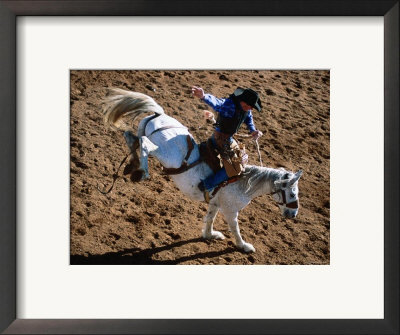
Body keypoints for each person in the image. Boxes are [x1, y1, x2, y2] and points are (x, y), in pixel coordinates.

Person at [192, 86, 263, 201]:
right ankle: (207, 185)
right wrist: (204, 96)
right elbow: (218, 103)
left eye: (251, 106)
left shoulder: (246, 109)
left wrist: (253, 130)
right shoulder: (230, 105)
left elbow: (249, 119)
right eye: (249, 105)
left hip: (228, 138)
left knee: (241, 157)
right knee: (236, 168)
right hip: (220, 139)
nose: (250, 108)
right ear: (242, 101)